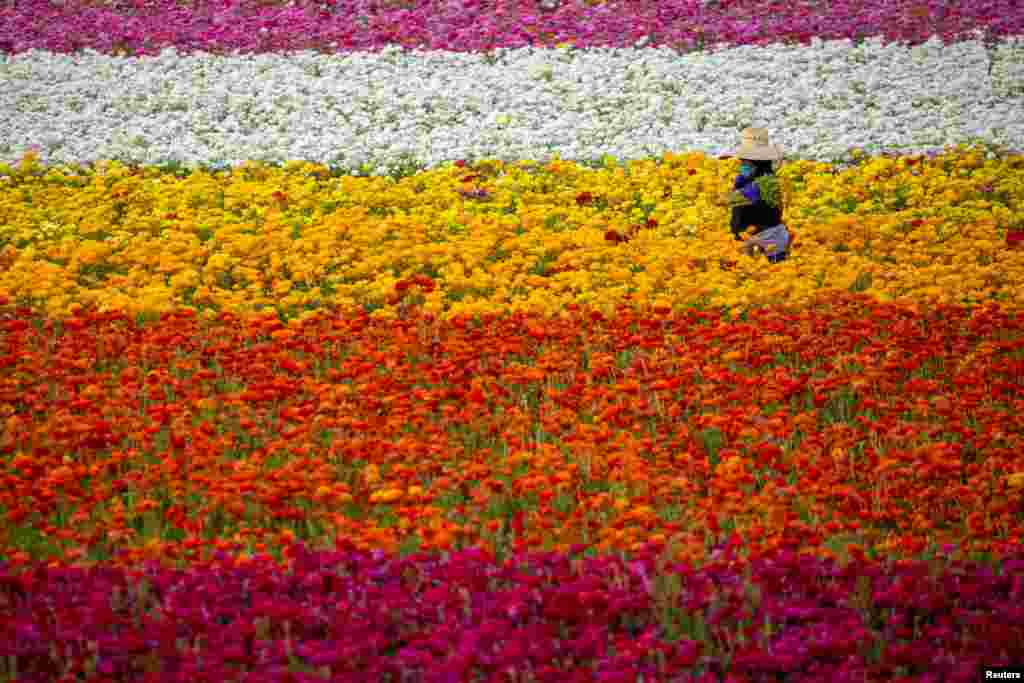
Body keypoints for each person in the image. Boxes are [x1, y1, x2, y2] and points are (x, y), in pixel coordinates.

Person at [720, 128, 791, 264]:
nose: (742, 166)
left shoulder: (761, 185)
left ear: (756, 164)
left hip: (765, 244)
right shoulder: (767, 177)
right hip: (766, 239)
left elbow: (728, 200)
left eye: (745, 163)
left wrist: (716, 189)